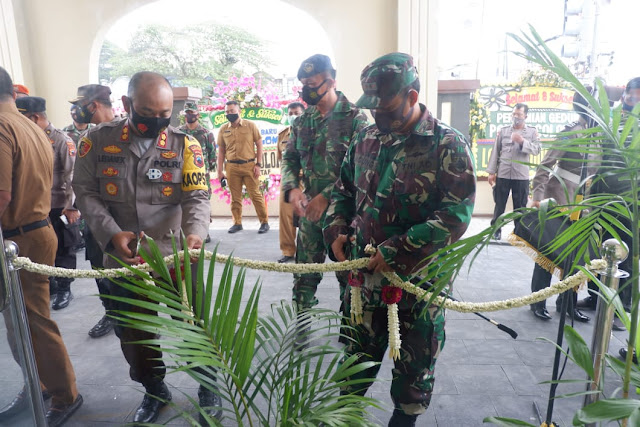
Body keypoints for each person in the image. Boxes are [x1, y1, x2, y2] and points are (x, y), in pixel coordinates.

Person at [324, 53, 475, 427]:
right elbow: (343, 191)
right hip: (362, 287)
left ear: (412, 96)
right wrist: (337, 230)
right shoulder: (366, 137)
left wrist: (399, 248)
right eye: (372, 107)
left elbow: (456, 214)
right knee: (353, 376)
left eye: (386, 107)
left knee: (411, 387)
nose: (378, 115)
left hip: (417, 290)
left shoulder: (446, 145)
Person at [73, 71, 219, 425]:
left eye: (164, 114)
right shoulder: (96, 141)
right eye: (147, 112)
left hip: (177, 254)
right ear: (126, 105)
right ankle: (155, 390)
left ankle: (207, 386)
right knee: (135, 335)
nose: (156, 121)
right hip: (123, 259)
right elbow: (86, 192)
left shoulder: (186, 144)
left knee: (193, 323)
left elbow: (197, 196)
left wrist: (195, 232)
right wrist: (111, 233)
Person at [0, 66, 83, 427]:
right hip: (33, 230)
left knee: (33, 322)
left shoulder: (2, 127)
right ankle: (42, 384)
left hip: (20, 239)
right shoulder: (28, 125)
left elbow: (1, 194)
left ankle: (65, 394)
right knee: (22, 322)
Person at [281, 54, 368, 321]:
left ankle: (349, 324)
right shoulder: (303, 120)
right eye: (303, 84)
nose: (306, 89)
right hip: (309, 213)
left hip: (344, 213)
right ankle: (302, 320)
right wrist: (293, 188)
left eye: (312, 83)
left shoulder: (355, 119)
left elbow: (361, 169)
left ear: (330, 81)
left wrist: (327, 196)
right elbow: (290, 157)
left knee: (348, 273)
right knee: (305, 273)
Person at [528, 90, 592, 322]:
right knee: (548, 251)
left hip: (583, 203)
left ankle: (567, 303)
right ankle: (537, 301)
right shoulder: (570, 132)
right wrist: (537, 195)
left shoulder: (599, 137)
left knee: (575, 257)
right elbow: (546, 164)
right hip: (560, 196)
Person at [15, 96, 80, 311]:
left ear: (34, 117)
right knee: (43, 247)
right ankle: (51, 283)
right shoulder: (26, 138)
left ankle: (64, 288)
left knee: (64, 247)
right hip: (35, 206)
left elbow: (73, 175)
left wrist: (71, 206)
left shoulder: (61, 140)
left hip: (59, 205)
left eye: (22, 116)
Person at [69, 84, 116, 338]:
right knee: (99, 268)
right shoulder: (88, 136)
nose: (76, 111)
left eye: (80, 104)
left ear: (93, 105)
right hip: (94, 222)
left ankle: (138, 318)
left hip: (123, 221)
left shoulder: (123, 133)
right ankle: (111, 312)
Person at [486, 103, 540, 240]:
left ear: (525, 116)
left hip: (521, 175)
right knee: (500, 203)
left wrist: (522, 142)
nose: (516, 117)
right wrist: (492, 172)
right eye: (514, 114)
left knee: (520, 206)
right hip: (503, 173)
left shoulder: (532, 132)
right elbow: (496, 151)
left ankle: (519, 232)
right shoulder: (504, 131)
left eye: (519, 115)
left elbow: (537, 150)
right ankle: (496, 230)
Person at [216, 100, 270, 234]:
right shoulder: (223, 129)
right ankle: (237, 223)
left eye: (232, 111)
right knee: (235, 197)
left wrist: (258, 164)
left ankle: (264, 222)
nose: (229, 114)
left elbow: (259, 144)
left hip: (249, 166)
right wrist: (219, 170)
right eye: (227, 112)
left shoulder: (250, 125)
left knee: (255, 195)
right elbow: (221, 151)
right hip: (231, 167)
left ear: (239, 111)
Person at [177, 101, 216, 242]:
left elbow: (212, 155)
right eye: (187, 113)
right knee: (184, 202)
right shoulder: (178, 132)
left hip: (201, 174)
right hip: (183, 172)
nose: (189, 115)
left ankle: (204, 231)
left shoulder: (206, 134)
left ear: (197, 114)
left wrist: (209, 169)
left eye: (191, 113)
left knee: (202, 202)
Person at [276, 102, 304, 263]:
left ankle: (307, 250)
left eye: (297, 113)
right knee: (286, 217)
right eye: (291, 113)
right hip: (288, 182)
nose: (294, 116)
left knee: (307, 217)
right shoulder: (283, 135)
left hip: (307, 181)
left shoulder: (312, 133)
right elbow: (282, 160)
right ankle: (287, 250)